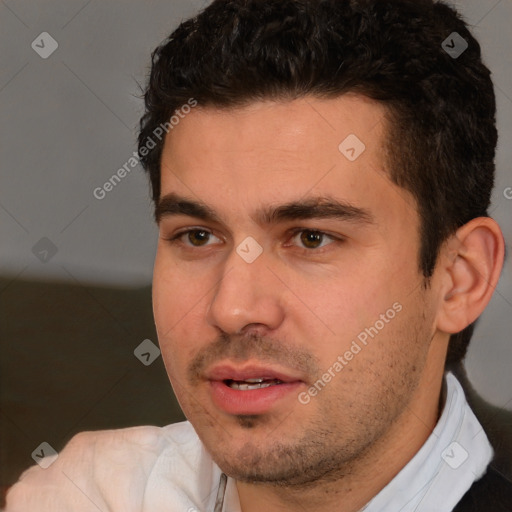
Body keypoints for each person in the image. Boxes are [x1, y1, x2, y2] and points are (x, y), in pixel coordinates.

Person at [5, 0, 512, 510]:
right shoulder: (84, 496)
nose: (232, 309)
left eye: (311, 238)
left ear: (459, 278)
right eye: (198, 236)